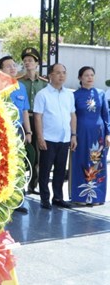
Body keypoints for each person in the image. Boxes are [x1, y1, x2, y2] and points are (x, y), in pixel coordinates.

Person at [34, 63, 76, 210]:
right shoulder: (42, 94)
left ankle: (58, 197)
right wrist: (40, 137)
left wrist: (73, 135)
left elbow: (72, 115)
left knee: (60, 170)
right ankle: (45, 198)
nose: (61, 75)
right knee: (45, 170)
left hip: (64, 139)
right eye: (58, 73)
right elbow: (38, 117)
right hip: (48, 139)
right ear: (50, 75)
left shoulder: (69, 94)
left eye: (64, 72)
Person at [70, 66, 110, 206]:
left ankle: (96, 196)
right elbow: (71, 116)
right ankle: (80, 197)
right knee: (80, 161)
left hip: (97, 136)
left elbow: (106, 115)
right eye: (86, 75)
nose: (90, 77)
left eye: (92, 75)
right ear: (80, 78)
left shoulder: (100, 94)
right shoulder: (74, 95)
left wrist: (108, 134)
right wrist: (73, 134)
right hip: (81, 134)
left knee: (96, 162)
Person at [0, 56, 31, 213]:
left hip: (18, 132)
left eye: (14, 65)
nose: (12, 68)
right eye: (8, 66)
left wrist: (28, 132)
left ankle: (18, 200)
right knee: (0, 167)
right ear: (0, 71)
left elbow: (24, 111)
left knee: (18, 166)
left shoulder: (21, 87)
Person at [17, 47, 48, 194]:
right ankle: (19, 185)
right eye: (25, 61)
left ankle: (33, 185)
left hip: (39, 121)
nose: (27, 63)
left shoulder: (44, 83)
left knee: (37, 154)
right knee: (21, 153)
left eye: (30, 60)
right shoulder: (18, 82)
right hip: (23, 120)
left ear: (37, 63)